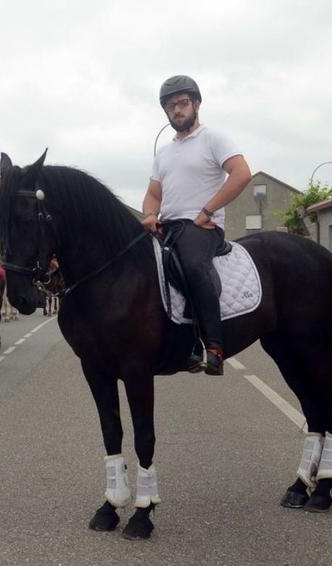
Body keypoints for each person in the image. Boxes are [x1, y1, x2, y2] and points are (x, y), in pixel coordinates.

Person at [141, 75, 251, 376]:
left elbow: (241, 173)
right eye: (170, 106)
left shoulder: (213, 139)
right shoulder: (163, 153)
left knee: (191, 264)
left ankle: (213, 345)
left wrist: (208, 210)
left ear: (196, 104)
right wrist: (150, 214)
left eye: (182, 103)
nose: (177, 110)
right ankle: (177, 342)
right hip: (170, 227)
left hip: (202, 227)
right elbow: (153, 195)